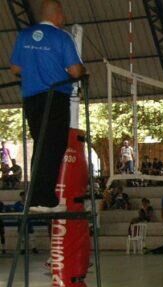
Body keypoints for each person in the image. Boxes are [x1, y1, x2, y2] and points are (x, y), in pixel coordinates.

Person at [10, 0, 85, 213]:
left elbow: (15, 68)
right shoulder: (62, 37)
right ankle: (43, 198)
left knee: (41, 143)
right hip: (54, 96)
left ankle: (37, 196)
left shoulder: (24, 36)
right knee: (53, 145)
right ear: (57, 14)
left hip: (31, 98)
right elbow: (75, 71)